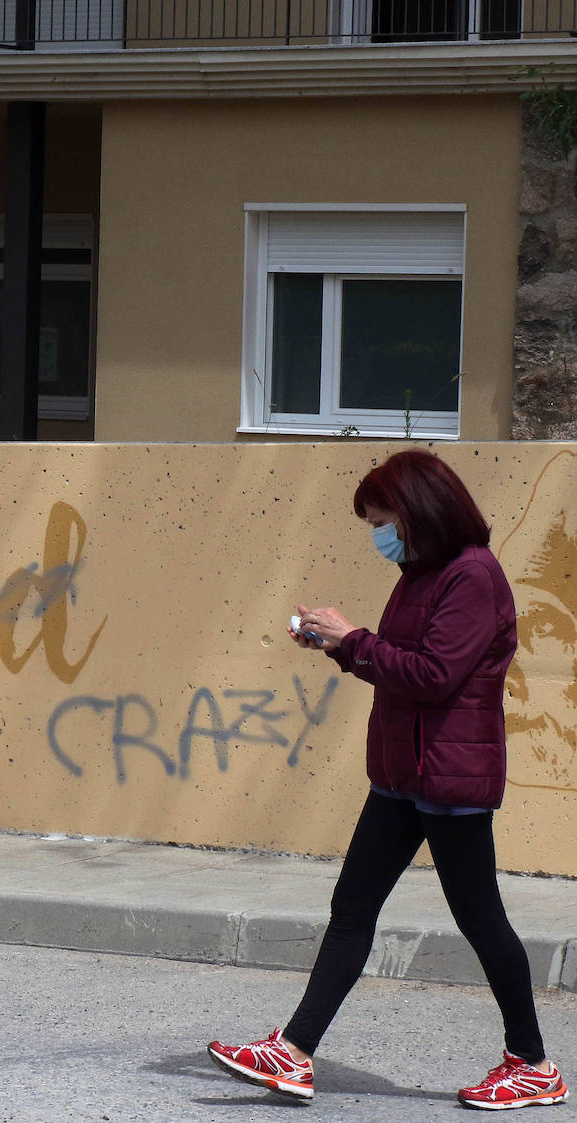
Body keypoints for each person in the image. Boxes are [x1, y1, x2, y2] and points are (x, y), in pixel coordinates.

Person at [207, 449, 567, 1111]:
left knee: (481, 919)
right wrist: (337, 644)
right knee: (352, 909)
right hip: (402, 773)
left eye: (381, 518)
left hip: (450, 779)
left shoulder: (472, 576)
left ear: (416, 511)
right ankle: (293, 1052)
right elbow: (398, 662)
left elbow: (435, 675)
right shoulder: (421, 573)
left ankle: (534, 1063)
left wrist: (354, 639)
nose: (378, 532)